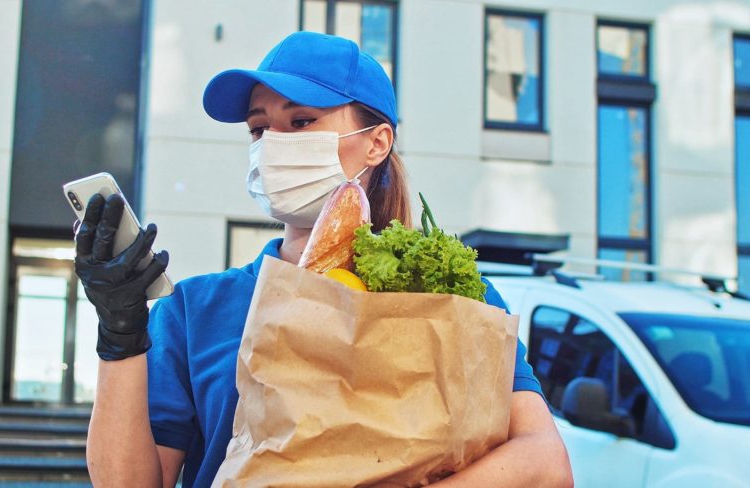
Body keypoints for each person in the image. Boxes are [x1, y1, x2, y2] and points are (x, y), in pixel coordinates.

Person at [78, 31, 573, 488]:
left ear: (377, 142)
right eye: (258, 129)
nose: (273, 144)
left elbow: (545, 463)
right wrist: (119, 334)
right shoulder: (194, 310)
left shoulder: (453, 298)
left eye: (301, 122)